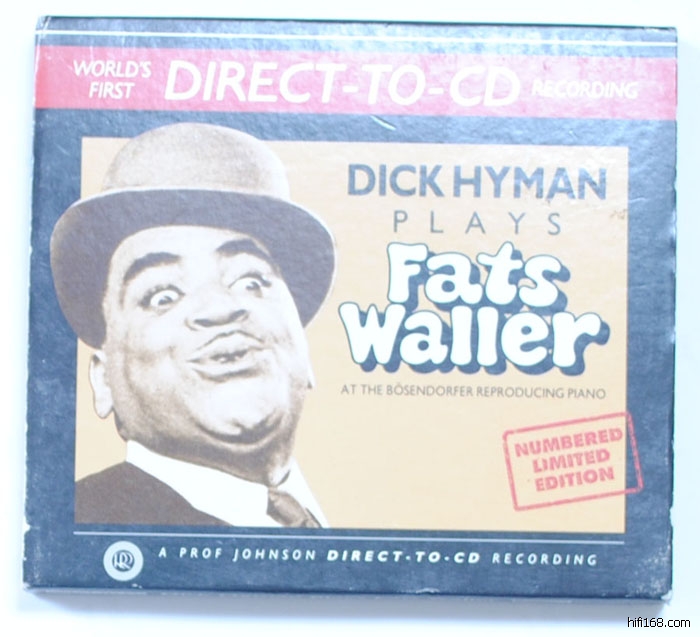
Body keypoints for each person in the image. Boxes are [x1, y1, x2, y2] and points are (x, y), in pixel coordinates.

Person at [49, 123, 335, 527]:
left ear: (304, 352)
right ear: (103, 380)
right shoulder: (81, 521)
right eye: (162, 295)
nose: (219, 308)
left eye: (250, 281)